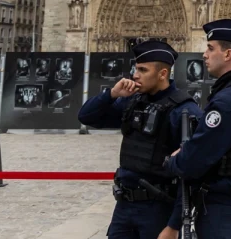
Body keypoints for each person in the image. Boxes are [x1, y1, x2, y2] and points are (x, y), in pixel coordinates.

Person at [78, 40, 202, 239]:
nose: (135, 75)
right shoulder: (133, 101)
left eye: (143, 70)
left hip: (158, 210)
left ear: (162, 74)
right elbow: (86, 117)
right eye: (136, 69)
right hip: (125, 207)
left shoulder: (184, 110)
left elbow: (192, 174)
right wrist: (111, 94)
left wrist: (173, 225)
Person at [164, 19, 231, 239]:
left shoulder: (230, 100)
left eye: (211, 48)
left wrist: (174, 160)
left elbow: (198, 156)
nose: (204, 54)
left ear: (228, 54)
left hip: (223, 212)